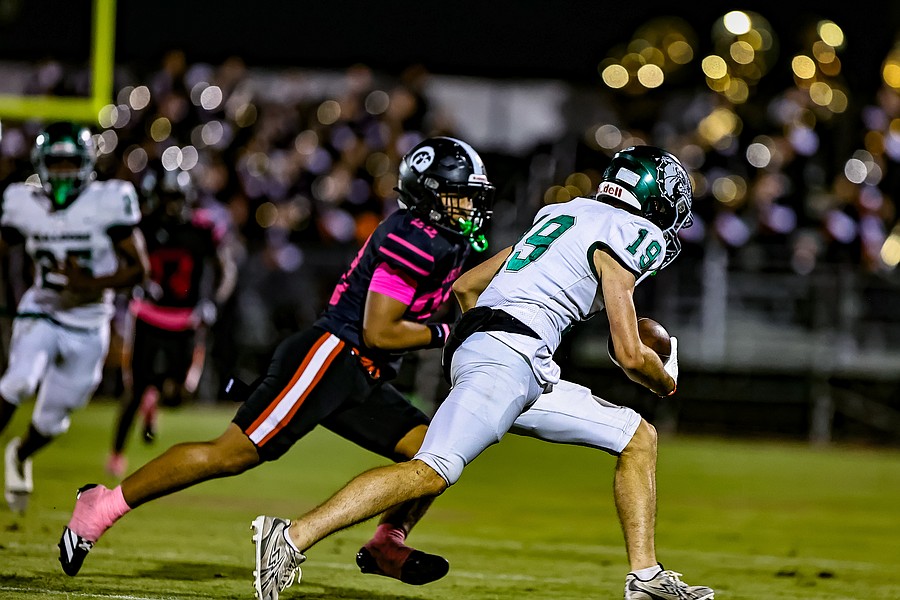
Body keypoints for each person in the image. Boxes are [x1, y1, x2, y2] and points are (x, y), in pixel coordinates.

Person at [249, 145, 716, 600]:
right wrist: (666, 379)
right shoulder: (631, 230)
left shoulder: (564, 212)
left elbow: (466, 286)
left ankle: (645, 576)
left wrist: (482, 345)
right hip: (510, 355)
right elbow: (630, 355)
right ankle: (291, 536)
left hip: (510, 355)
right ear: (655, 199)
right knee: (431, 470)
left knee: (637, 437)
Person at [57, 136, 496, 586]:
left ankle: (387, 541)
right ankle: (103, 504)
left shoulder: (447, 240)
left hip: (362, 371)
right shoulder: (416, 237)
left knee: (435, 451)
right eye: (458, 195)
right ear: (428, 195)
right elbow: (379, 331)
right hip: (331, 357)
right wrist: (448, 333)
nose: (468, 205)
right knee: (230, 454)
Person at [0, 121, 148, 513]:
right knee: (18, 381)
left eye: (70, 164)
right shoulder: (24, 202)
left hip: (89, 321)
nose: (63, 172)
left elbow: (140, 270)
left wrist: (90, 283)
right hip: (43, 309)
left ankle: (20, 452)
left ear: (86, 164)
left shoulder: (107, 201)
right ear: (41, 165)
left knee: (52, 421)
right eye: (56, 163)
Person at [105, 166, 238, 478]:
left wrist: (213, 301)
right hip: (148, 315)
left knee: (180, 394)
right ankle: (116, 454)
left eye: (175, 198)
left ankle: (154, 399)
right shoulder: (142, 226)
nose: (170, 206)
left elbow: (226, 269)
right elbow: (120, 261)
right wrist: (129, 288)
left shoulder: (202, 229)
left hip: (184, 320)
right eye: (165, 198)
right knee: (134, 390)